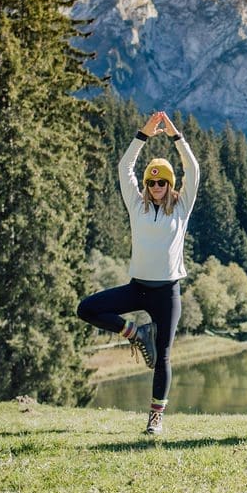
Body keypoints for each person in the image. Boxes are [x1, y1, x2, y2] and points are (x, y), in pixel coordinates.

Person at [78, 111, 199, 434]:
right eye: (152, 181)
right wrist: (142, 135)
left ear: (170, 184)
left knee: (164, 358)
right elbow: (124, 167)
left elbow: (193, 168)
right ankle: (136, 333)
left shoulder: (183, 205)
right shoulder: (137, 204)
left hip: (167, 293)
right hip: (138, 288)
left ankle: (155, 418)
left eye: (162, 181)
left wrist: (175, 136)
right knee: (87, 308)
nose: (157, 186)